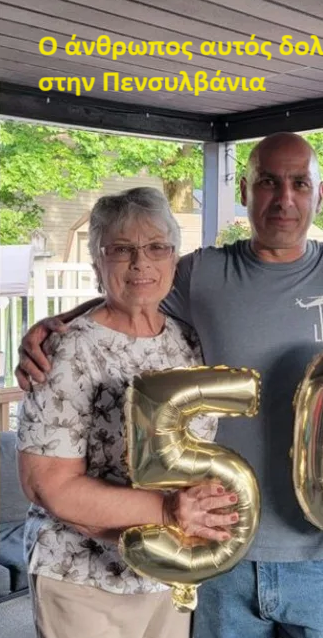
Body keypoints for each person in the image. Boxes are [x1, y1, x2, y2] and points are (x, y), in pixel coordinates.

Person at [15, 135, 323, 638]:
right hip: (223, 552)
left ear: (320, 193)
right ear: (244, 190)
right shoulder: (202, 274)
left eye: (300, 183)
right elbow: (135, 287)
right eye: (269, 183)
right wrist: (55, 326)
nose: (284, 199)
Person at [15, 187, 237, 638]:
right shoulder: (67, 349)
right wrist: (169, 510)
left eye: (156, 247)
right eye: (121, 249)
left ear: (174, 258)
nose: (141, 263)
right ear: (97, 262)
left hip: (169, 570)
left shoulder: (188, 341)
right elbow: (47, 485)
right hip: (83, 577)